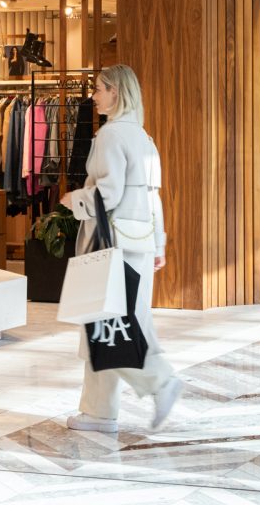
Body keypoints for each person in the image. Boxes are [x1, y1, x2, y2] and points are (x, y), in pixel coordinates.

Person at [59, 64, 182, 433]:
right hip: (139, 241)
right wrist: (158, 243)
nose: (93, 95)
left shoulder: (111, 136)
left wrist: (74, 199)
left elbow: (107, 194)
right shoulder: (143, 137)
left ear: (116, 92)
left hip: (110, 243)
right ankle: (99, 411)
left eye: (99, 89)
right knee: (117, 323)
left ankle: (159, 381)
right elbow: (153, 197)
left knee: (110, 324)